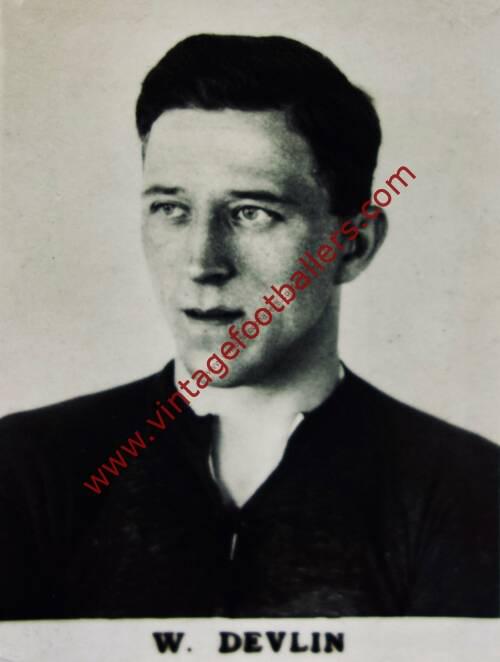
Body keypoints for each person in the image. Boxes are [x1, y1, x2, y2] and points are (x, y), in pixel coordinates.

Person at [0, 34, 498, 620]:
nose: (201, 262)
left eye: (251, 212)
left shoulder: (470, 488)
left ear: (353, 244)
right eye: (171, 208)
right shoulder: (25, 469)